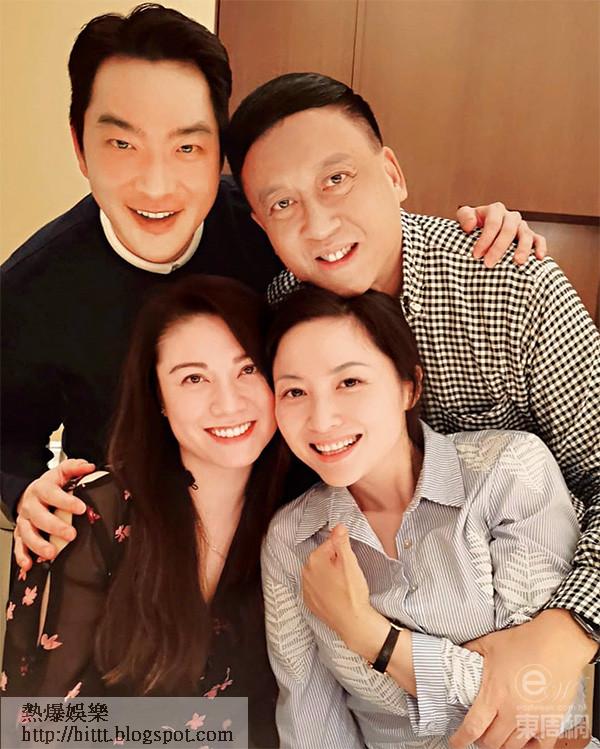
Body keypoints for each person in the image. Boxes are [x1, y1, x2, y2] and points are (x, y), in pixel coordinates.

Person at [2, 4, 534, 570]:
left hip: (296, 543)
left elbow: (360, 238)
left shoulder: (272, 230)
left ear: (218, 152)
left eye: (187, 147)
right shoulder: (32, 287)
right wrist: (26, 492)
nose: (157, 185)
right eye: (122, 145)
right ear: (80, 148)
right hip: (132, 556)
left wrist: (476, 235)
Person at [225, 72, 600, 747]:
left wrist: (569, 630)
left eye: (337, 179)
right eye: (282, 203)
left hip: (529, 636)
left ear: (392, 174)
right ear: (260, 223)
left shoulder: (510, 284)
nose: (318, 223)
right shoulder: (279, 311)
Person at [261, 284, 596, 749]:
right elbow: (311, 720)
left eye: (349, 382)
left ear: (409, 386)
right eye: (295, 391)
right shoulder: (291, 537)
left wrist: (370, 634)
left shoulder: (509, 471)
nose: (320, 419)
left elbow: (538, 710)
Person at [2, 274, 285, 747]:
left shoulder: (301, 517)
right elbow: (41, 725)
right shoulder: (93, 511)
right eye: (193, 378)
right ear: (159, 398)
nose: (228, 402)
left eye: (248, 369)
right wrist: (222, 733)